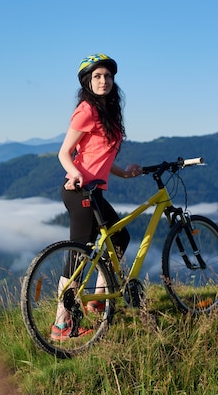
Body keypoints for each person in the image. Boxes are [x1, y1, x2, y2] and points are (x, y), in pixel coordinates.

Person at [52, 53, 142, 341]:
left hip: (95, 190)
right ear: (88, 82)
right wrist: (74, 174)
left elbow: (100, 158)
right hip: (79, 191)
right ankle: (61, 326)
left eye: (108, 76)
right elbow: (65, 153)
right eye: (97, 76)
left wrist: (124, 173)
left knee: (120, 238)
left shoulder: (108, 113)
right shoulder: (87, 110)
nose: (104, 81)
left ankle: (97, 301)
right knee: (77, 256)